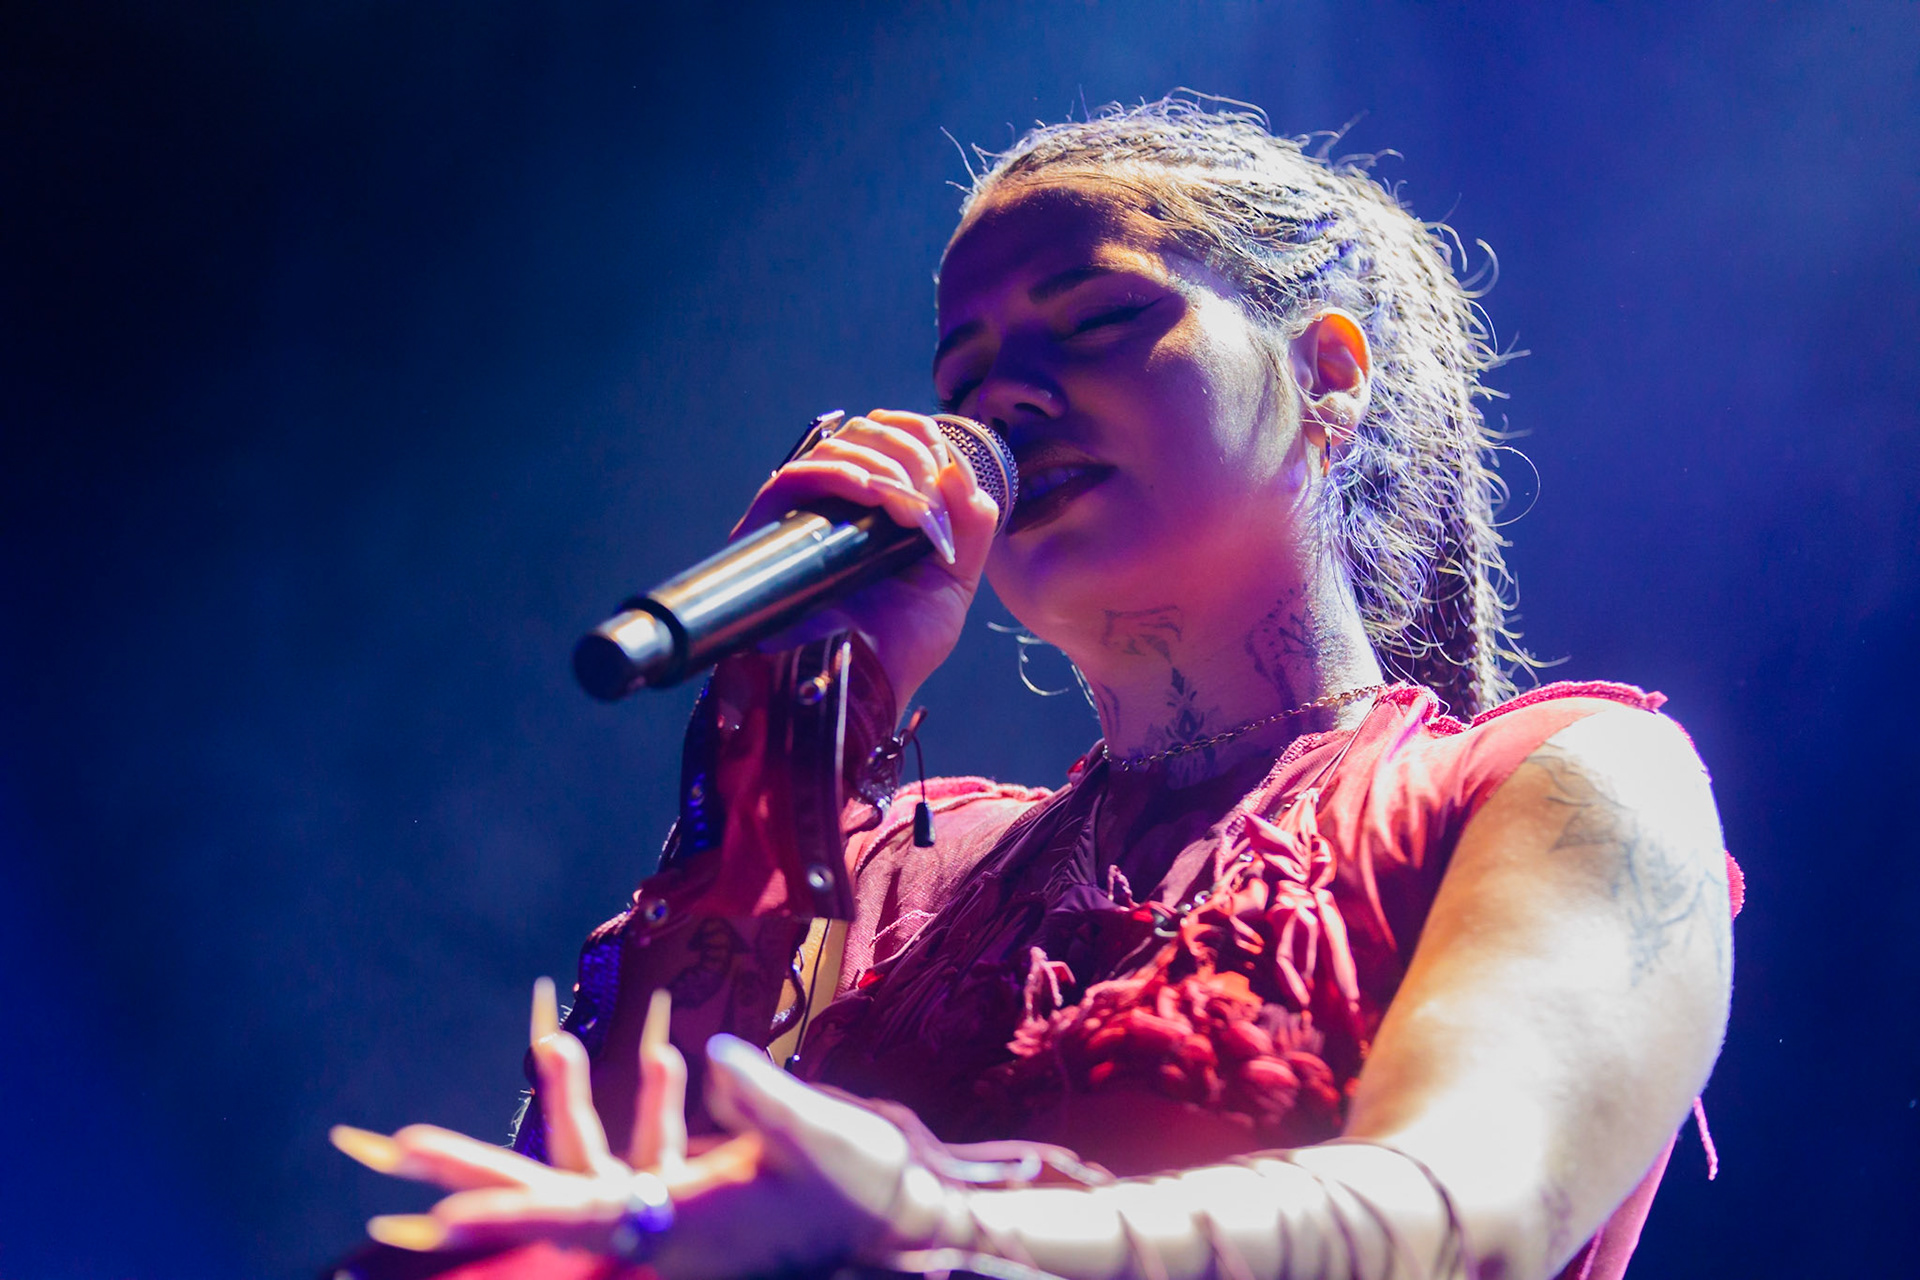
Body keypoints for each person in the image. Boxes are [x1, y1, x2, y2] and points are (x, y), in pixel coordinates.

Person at [330, 98, 1735, 1280]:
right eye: (970, 371)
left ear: (1327, 372)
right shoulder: (893, 866)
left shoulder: (1560, 785)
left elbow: (1469, 1211)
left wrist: (946, 1228)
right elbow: (620, 1191)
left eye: (1099, 319)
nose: (1008, 401)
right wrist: (794, 722)